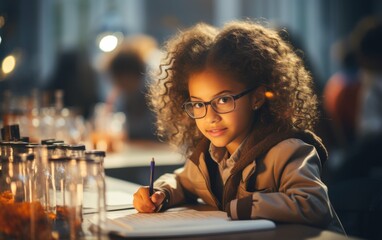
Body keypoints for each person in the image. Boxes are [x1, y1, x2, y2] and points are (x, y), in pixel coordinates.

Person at [133, 20, 345, 233]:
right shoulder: (209, 157)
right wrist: (161, 193)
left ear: (257, 98)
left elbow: (314, 205)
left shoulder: (288, 151)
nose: (211, 116)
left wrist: (244, 207)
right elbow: (182, 180)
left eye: (223, 100)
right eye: (198, 104)